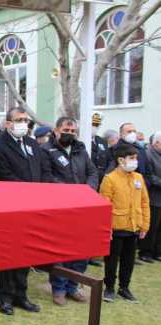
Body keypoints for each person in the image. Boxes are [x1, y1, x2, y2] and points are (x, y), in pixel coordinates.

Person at [0, 106, 52, 316]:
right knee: (8, 254)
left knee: (26, 252)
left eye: (26, 120)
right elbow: (4, 175)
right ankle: (5, 296)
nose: (23, 123)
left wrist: (42, 192)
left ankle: (21, 295)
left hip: (32, 208)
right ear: (8, 124)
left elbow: (43, 170)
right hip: (10, 208)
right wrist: (29, 193)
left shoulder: (32, 144)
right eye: (19, 119)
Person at [42, 117, 99, 305]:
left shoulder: (80, 149)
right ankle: (58, 288)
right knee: (60, 250)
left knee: (80, 248)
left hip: (82, 207)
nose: (70, 133)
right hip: (60, 208)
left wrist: (87, 190)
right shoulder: (46, 150)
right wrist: (70, 192)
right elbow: (47, 177)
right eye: (67, 129)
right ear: (57, 130)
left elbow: (92, 172)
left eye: (73, 130)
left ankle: (73, 286)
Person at [100, 144, 149, 303]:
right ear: (121, 160)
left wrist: (144, 225)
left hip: (134, 227)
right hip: (116, 227)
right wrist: (106, 228)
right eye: (132, 158)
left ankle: (124, 288)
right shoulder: (109, 179)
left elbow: (144, 202)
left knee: (129, 260)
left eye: (136, 158)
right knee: (112, 260)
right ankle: (109, 287)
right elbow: (105, 206)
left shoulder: (138, 178)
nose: (135, 161)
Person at [139, 132, 161, 263]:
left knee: (160, 228)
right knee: (152, 226)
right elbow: (149, 175)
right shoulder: (148, 154)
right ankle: (146, 251)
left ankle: (157, 251)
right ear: (156, 143)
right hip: (153, 196)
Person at [90, 112, 109, 181]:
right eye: (92, 124)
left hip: (102, 179)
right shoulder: (79, 141)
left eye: (96, 125)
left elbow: (109, 159)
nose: (94, 127)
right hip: (89, 179)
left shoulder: (102, 141)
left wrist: (106, 174)